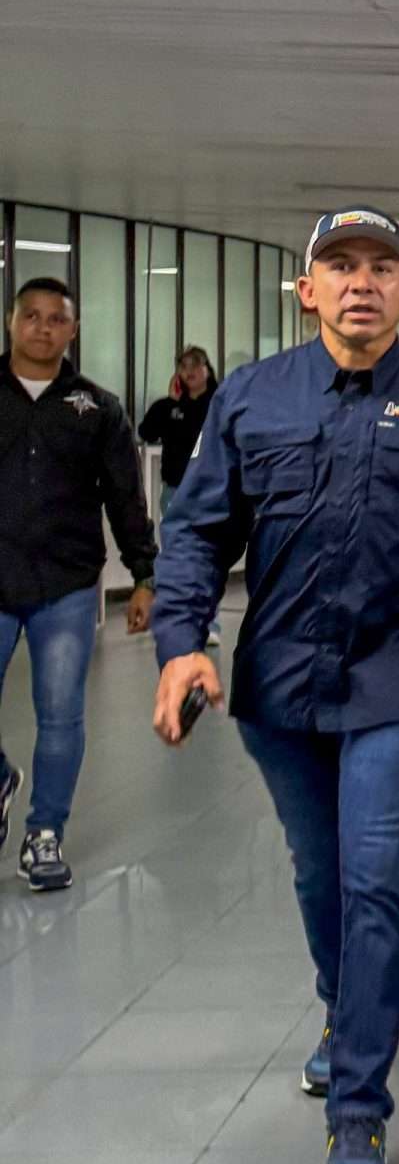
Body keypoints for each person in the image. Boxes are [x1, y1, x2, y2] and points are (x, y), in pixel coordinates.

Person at [150, 206, 399, 1164]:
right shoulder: (252, 399)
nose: (361, 282)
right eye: (340, 265)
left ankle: (357, 1112)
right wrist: (182, 643)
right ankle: (343, 1014)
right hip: (279, 684)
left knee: (375, 879)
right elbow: (194, 531)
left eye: (382, 267)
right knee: (321, 874)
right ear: (308, 288)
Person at [0, 277, 158, 891]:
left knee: (60, 715)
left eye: (55, 319)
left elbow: (125, 496)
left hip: (64, 585)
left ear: (72, 329)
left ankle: (44, 835)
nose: (42, 328)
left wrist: (143, 574)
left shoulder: (95, 407)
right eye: (31, 316)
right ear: (12, 322)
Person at [138, 346, 218, 514]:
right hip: (175, 489)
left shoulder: (219, 404)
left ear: (208, 370)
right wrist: (171, 403)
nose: (189, 370)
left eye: (195, 364)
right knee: (176, 539)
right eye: (183, 366)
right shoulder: (169, 406)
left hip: (211, 490)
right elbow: (146, 433)